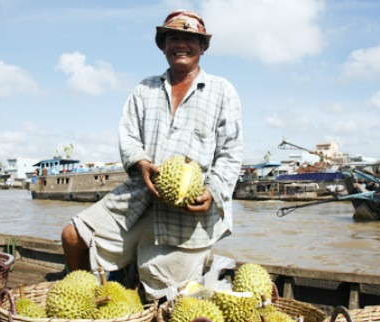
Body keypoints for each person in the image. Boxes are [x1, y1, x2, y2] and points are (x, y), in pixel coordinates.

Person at [60, 9, 243, 301]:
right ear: (163, 45)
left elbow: (231, 152)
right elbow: (128, 136)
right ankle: (91, 303)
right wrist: (141, 162)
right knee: (72, 236)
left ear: (203, 47)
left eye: (190, 38)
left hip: (185, 216)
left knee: (160, 296)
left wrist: (212, 190)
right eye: (173, 37)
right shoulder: (144, 89)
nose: (180, 44)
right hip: (136, 199)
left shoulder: (223, 91)